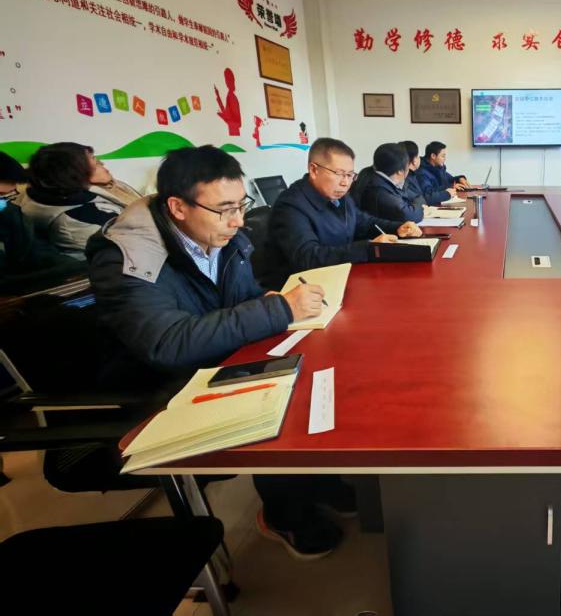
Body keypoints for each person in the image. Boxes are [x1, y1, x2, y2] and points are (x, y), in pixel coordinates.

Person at [87, 145, 345, 559]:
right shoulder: (128, 258)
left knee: (316, 361)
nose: (239, 221)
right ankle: (284, 514)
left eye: (241, 205)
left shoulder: (221, 235)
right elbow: (167, 343)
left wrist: (267, 299)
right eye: (225, 209)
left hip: (215, 356)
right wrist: (277, 309)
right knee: (281, 397)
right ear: (178, 207)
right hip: (157, 386)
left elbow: (240, 297)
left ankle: (316, 480)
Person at [261, 138, 422, 289]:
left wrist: (397, 228)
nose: (345, 182)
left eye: (350, 175)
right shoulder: (291, 206)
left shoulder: (339, 197)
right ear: (314, 170)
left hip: (340, 278)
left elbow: (363, 222)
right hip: (303, 290)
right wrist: (367, 248)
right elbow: (308, 257)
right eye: (339, 174)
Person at [18, 142, 142, 258]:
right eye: (96, 164)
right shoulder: (77, 218)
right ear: (73, 174)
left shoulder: (100, 186)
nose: (103, 165)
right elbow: (129, 250)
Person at [1, 151, 82, 293]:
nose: (3, 201)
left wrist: (79, 268)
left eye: (6, 196)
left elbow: (37, 252)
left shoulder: (10, 214)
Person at [359, 143, 425, 223]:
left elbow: (418, 197)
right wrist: (420, 207)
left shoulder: (390, 182)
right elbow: (410, 215)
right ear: (400, 171)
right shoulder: (378, 189)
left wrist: (415, 205)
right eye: (408, 165)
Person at [401, 140, 456, 206]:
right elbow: (426, 196)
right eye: (418, 156)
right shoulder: (420, 173)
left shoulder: (438, 168)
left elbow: (449, 178)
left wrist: (460, 178)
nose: (445, 159)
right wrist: (447, 193)